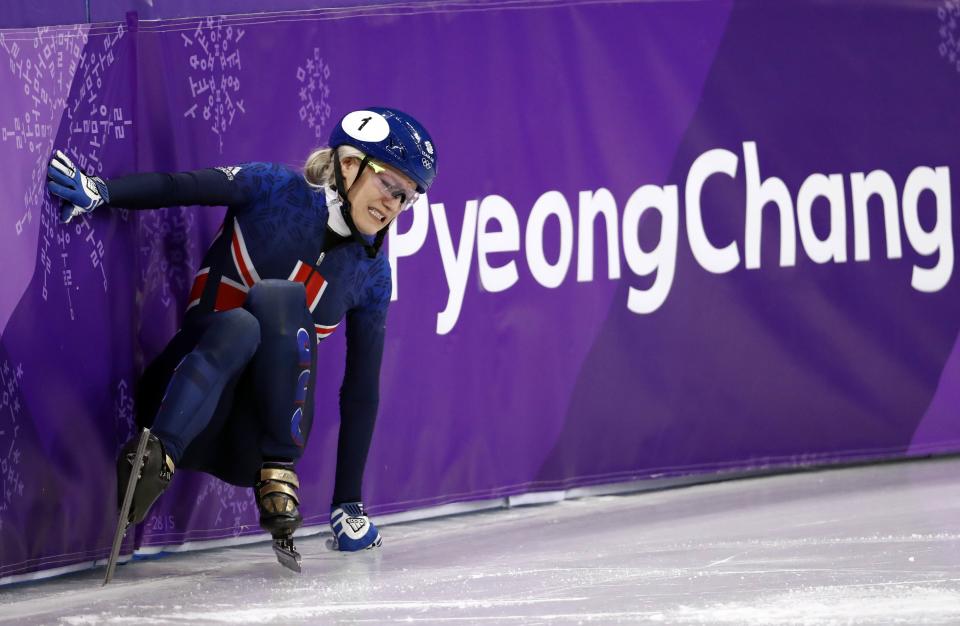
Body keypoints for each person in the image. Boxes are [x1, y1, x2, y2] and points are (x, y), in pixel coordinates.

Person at [46, 107, 438, 568]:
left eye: (407, 197)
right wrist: (101, 192)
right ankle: (157, 458)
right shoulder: (272, 188)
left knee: (278, 302)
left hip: (250, 451)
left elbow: (361, 392)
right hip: (179, 401)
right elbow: (181, 186)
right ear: (349, 164)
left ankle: (277, 472)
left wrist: (348, 503)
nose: (393, 204)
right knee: (243, 321)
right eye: (389, 185)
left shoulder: (373, 275)